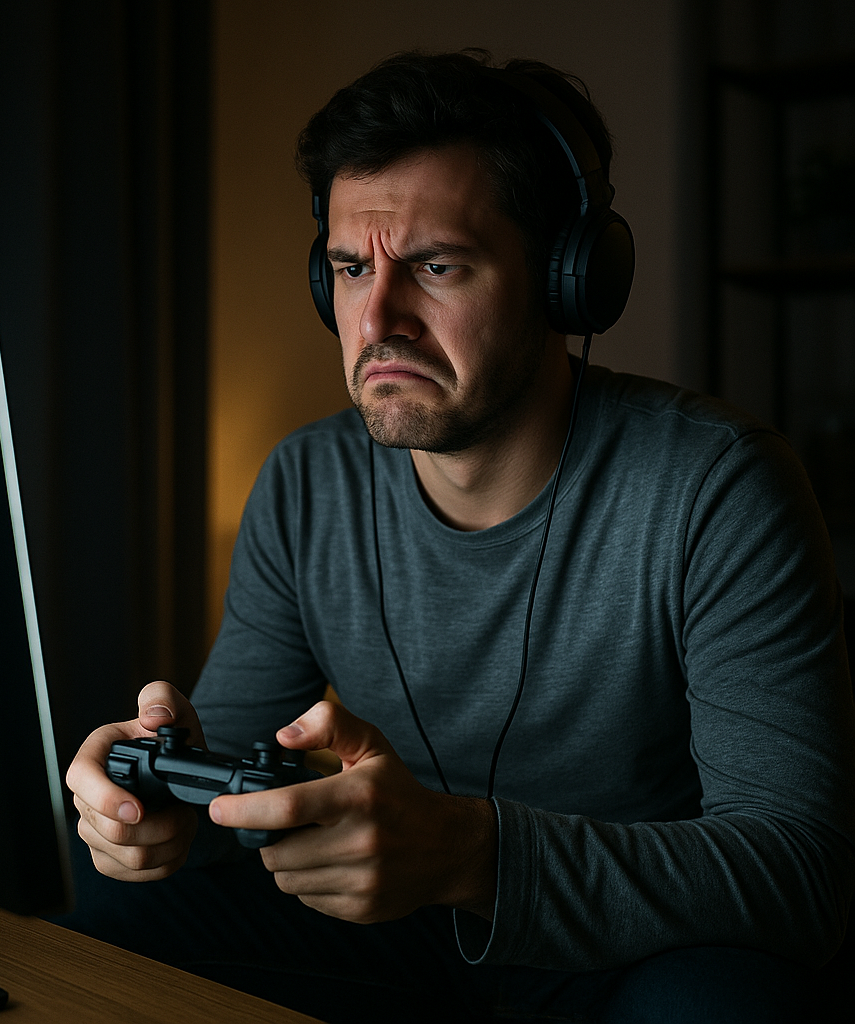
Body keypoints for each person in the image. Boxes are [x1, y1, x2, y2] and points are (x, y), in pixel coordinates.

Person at [62, 50, 855, 1022]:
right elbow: (234, 778)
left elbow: (798, 871)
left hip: (627, 957)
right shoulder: (306, 482)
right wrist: (157, 798)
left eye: (436, 266)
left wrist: (470, 853)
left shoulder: (718, 484)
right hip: (390, 935)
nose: (378, 319)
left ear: (566, 279)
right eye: (351, 269)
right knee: (106, 894)